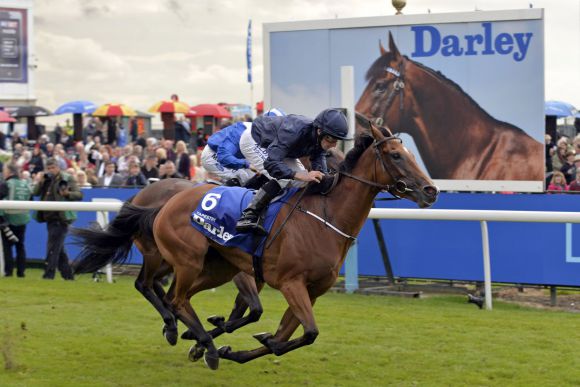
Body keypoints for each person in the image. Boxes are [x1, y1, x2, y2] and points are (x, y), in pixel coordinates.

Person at [236, 108, 350, 234]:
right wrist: (299, 175)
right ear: (319, 131)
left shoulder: (319, 138)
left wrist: (325, 178)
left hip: (279, 148)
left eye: (336, 140)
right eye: (331, 139)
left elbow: (318, 160)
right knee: (287, 178)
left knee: (300, 182)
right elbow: (272, 162)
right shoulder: (295, 130)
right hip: (255, 141)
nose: (334, 145)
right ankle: (248, 215)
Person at [32, 158, 82, 280]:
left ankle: (49, 275)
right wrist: (40, 182)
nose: (50, 170)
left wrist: (67, 194)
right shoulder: (46, 179)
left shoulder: (67, 178)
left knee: (53, 247)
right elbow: (35, 193)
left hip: (61, 218)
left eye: (52, 168)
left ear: (58, 167)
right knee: (58, 249)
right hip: (49, 218)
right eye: (48, 168)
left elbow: (79, 195)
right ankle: (68, 276)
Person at [0, 163, 32, 277]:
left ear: (10, 172)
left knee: (7, 247)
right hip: (23, 219)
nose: (3, 173)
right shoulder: (25, 184)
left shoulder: (6, 184)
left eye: (5, 170)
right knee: (20, 246)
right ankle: (21, 272)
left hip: (8, 219)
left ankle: (9, 272)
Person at [201, 121, 255, 185]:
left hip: (221, 153)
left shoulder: (254, 131)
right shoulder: (242, 133)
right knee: (242, 176)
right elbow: (224, 157)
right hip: (213, 155)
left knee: (250, 175)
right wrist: (247, 164)